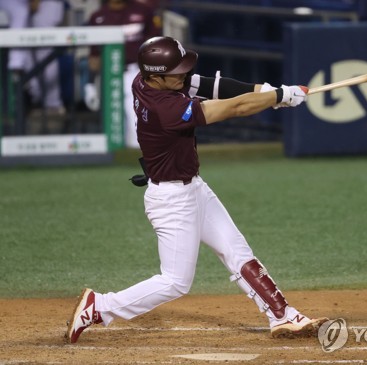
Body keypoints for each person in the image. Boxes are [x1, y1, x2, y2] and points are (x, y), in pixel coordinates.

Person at [66, 36, 328, 344]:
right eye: (176, 71)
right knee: (175, 282)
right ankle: (100, 307)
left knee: (236, 250)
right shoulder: (166, 108)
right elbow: (235, 107)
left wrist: (272, 92)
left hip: (193, 188)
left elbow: (218, 87)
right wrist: (278, 96)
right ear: (156, 76)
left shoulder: (148, 80)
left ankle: (282, 315)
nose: (183, 75)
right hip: (171, 200)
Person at [85, 0, 161, 148]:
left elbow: (156, 46)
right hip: (108, 75)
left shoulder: (143, 10)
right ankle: (118, 162)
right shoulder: (98, 16)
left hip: (135, 71)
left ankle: (139, 161)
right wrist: (90, 84)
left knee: (137, 121)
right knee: (113, 123)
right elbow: (94, 56)